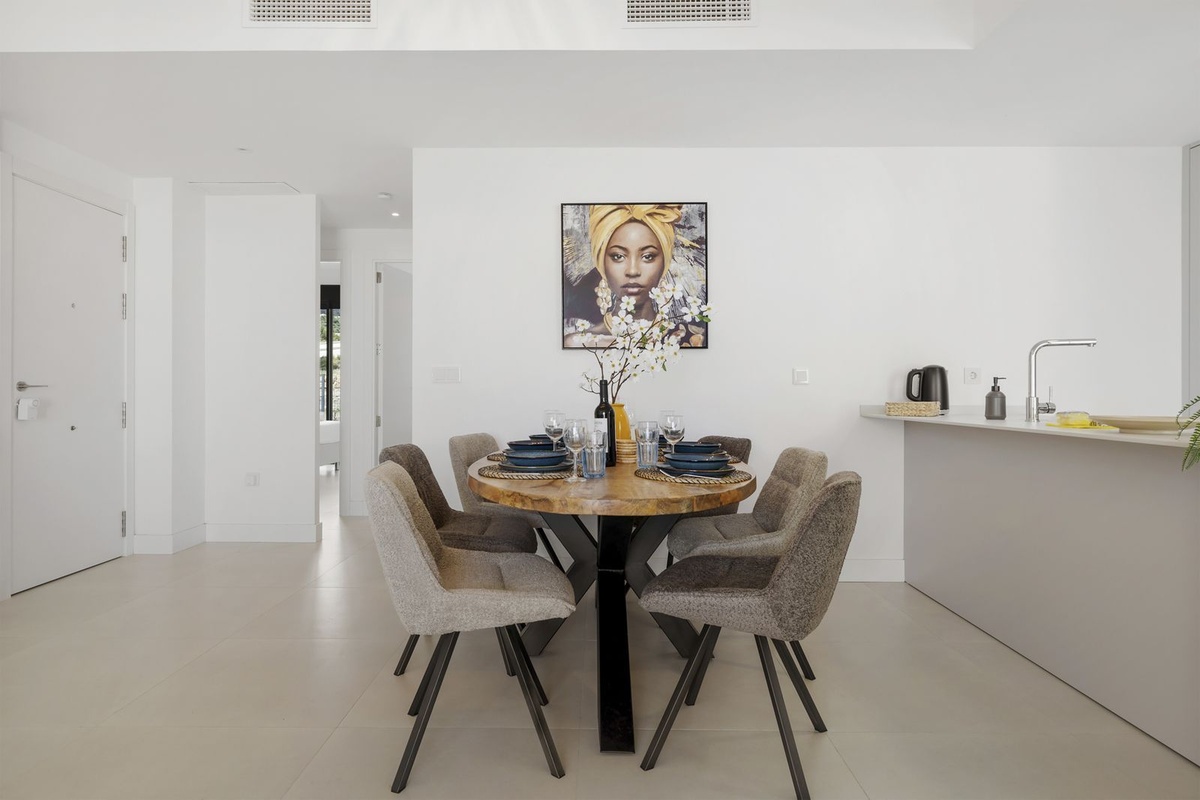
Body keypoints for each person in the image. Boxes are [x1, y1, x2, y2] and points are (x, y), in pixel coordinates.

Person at [563, 203, 705, 348]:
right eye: (618, 256)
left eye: (648, 256)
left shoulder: (693, 340)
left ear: (664, 263)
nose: (632, 271)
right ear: (601, 263)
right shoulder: (578, 343)